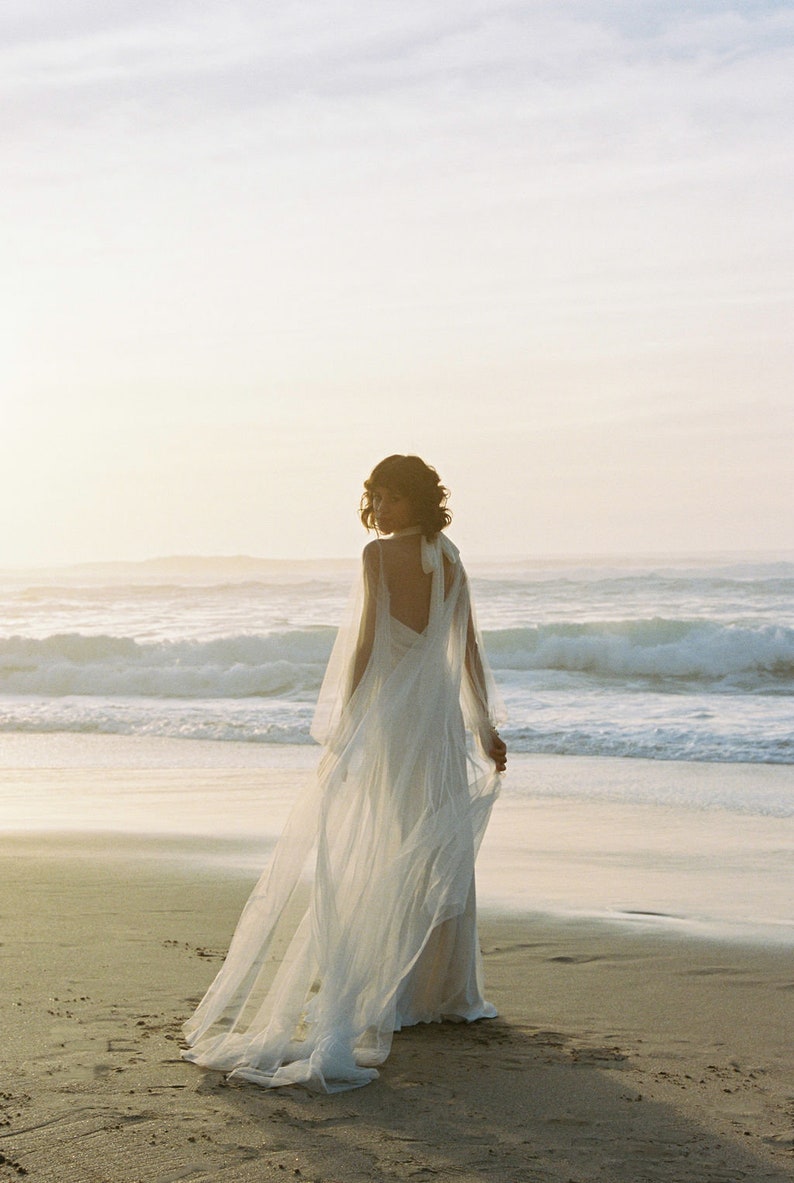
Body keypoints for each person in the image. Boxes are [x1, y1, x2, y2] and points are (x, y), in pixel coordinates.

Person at [182, 454, 506, 1092]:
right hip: (437, 715)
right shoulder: (451, 558)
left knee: (396, 840)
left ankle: (404, 989)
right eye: (374, 496)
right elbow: (466, 650)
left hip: (395, 716)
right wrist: (482, 726)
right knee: (434, 838)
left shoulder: (378, 556)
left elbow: (368, 644)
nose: (379, 508)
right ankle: (444, 990)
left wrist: (350, 724)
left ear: (415, 499)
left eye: (390, 497)